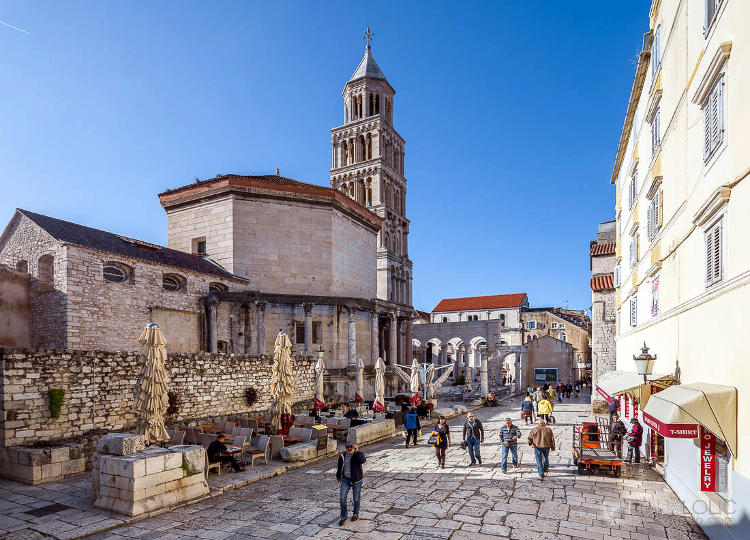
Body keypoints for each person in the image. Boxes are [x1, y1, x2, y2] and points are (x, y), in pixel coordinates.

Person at [336, 442, 366, 526]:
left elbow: (362, 460)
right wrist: (338, 476)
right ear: (345, 448)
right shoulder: (342, 456)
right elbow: (339, 467)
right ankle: (343, 517)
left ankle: (355, 514)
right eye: (347, 447)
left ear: (353, 447)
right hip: (346, 480)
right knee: (342, 498)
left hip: (356, 480)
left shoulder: (357, 455)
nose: (349, 448)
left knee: (356, 498)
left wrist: (357, 451)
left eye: (351, 447)